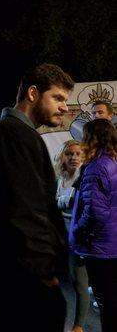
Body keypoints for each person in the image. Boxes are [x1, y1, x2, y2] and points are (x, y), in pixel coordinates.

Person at [0, 63, 75, 332]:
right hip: (24, 282)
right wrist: (45, 275)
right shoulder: (14, 135)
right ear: (33, 93)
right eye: (58, 98)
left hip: (16, 276)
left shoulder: (13, 133)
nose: (65, 107)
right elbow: (26, 214)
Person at [70, 119, 117, 332]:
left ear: (93, 138)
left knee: (107, 304)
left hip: (99, 247)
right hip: (110, 244)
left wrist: (77, 233)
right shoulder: (112, 162)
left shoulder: (96, 167)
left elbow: (95, 213)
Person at [54, 140, 89, 332]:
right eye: (69, 154)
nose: (74, 157)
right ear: (63, 156)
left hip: (79, 238)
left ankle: (78, 326)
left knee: (80, 283)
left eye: (78, 154)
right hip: (60, 237)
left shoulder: (85, 178)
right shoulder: (59, 178)